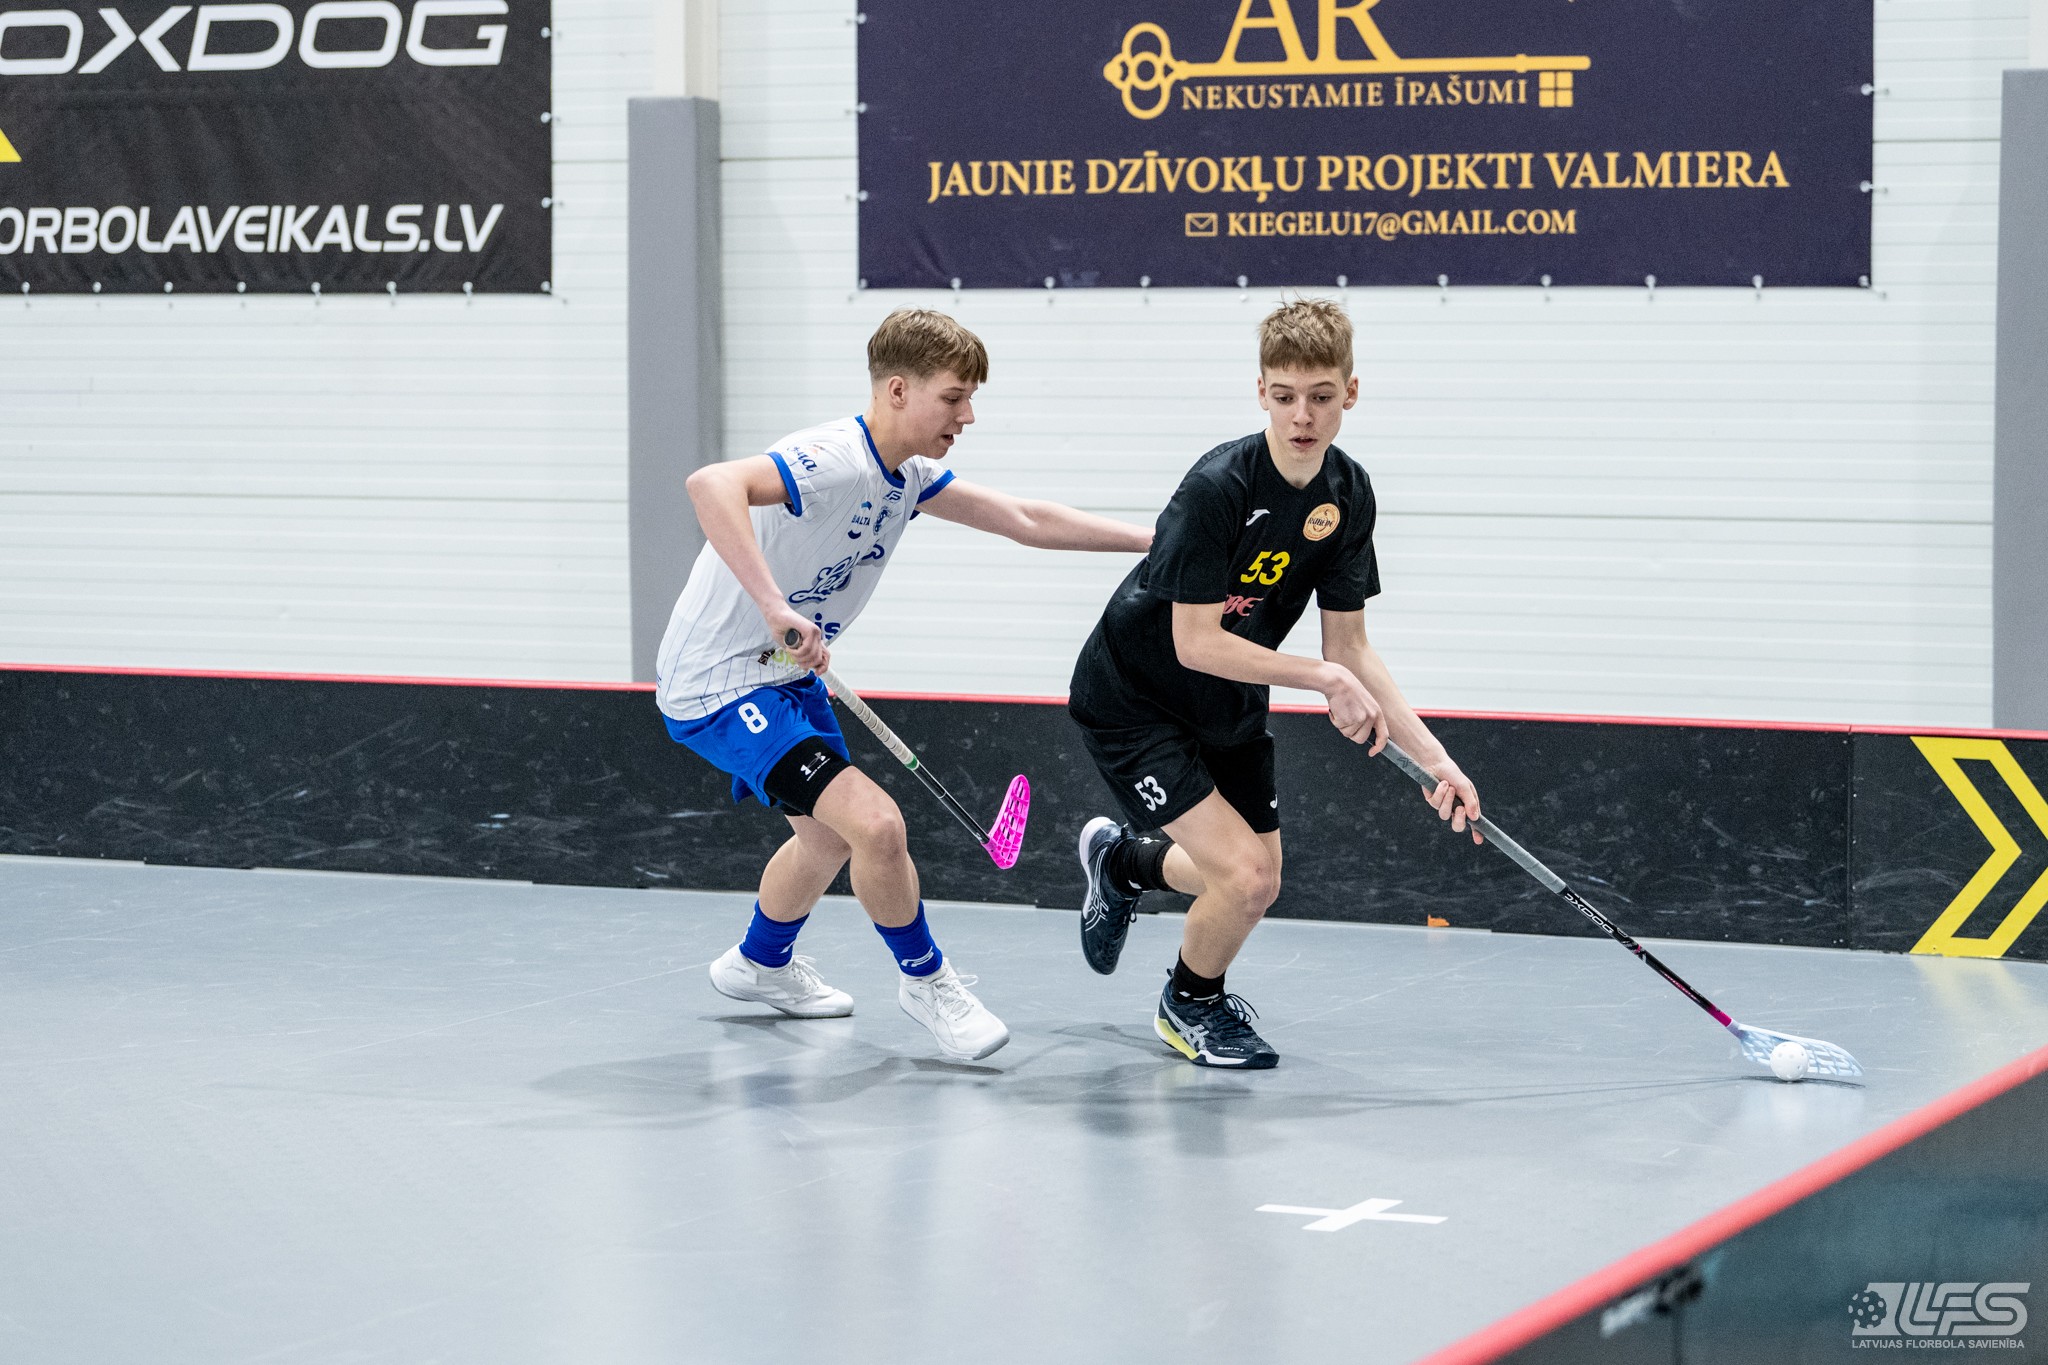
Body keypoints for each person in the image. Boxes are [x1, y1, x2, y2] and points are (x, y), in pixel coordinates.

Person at [656, 308, 1151, 1061]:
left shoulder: (908, 476)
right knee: (878, 826)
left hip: (787, 673)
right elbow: (710, 483)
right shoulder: (832, 459)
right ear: (897, 390)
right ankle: (927, 982)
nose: (967, 415)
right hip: (719, 682)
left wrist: (1157, 540)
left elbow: (1025, 518)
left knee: (825, 838)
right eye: (953, 398)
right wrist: (774, 606)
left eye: (969, 399)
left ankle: (758, 963)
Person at [1066, 297, 1484, 1069]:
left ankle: (1124, 864)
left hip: (1227, 696)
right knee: (1246, 874)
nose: (1303, 415)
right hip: (1134, 697)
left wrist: (1437, 761)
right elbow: (1195, 642)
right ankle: (1190, 1002)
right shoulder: (1217, 487)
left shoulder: (1347, 494)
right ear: (1261, 391)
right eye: (1285, 395)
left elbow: (1350, 646)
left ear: (1350, 392)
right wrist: (1320, 678)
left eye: (1322, 396)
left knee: (1257, 881)